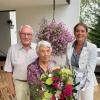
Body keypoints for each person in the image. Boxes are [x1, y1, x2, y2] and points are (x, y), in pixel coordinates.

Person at [4, 25, 37, 100]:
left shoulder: (37, 48)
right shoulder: (12, 49)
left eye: (28, 34)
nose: (26, 37)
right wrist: (11, 86)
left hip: (35, 85)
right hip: (19, 85)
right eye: (23, 34)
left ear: (32, 36)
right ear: (19, 34)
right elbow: (8, 70)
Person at [66, 22, 98, 100]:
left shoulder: (92, 47)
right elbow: (67, 64)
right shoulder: (69, 45)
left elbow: (91, 68)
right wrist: (67, 79)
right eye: (77, 31)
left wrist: (85, 83)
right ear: (74, 33)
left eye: (82, 31)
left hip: (87, 79)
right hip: (72, 79)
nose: (80, 33)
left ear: (86, 33)